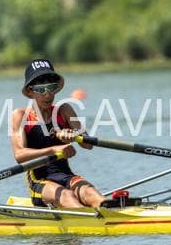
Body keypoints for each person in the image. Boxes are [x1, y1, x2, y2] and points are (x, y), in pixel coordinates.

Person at [10, 59, 105, 208]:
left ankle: (112, 213)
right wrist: (54, 149)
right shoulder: (21, 115)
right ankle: (88, 218)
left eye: (51, 87)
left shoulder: (64, 110)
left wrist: (75, 135)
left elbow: (88, 144)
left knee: (89, 192)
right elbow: (19, 155)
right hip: (39, 182)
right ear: (30, 91)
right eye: (41, 89)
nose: (47, 94)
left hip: (66, 176)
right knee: (67, 195)